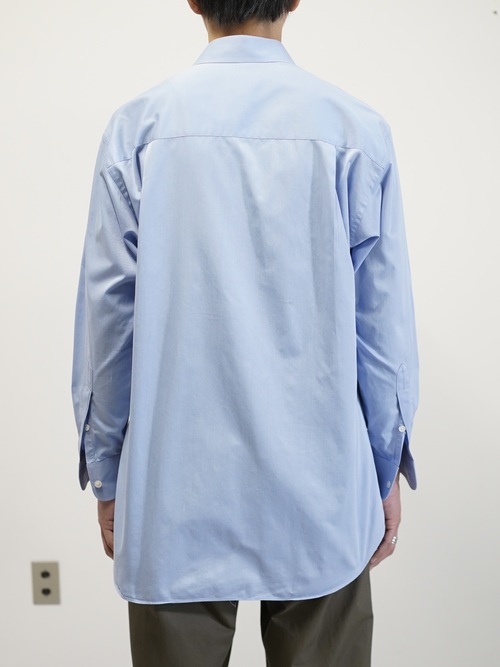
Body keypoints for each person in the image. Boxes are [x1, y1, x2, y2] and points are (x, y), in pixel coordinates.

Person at [72, 1, 419, 665]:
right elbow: (381, 330)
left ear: (193, 0)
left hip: (172, 489)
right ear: (295, 0)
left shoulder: (137, 131)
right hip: (323, 486)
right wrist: (385, 464)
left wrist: (108, 470)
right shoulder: (356, 131)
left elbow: (108, 321)